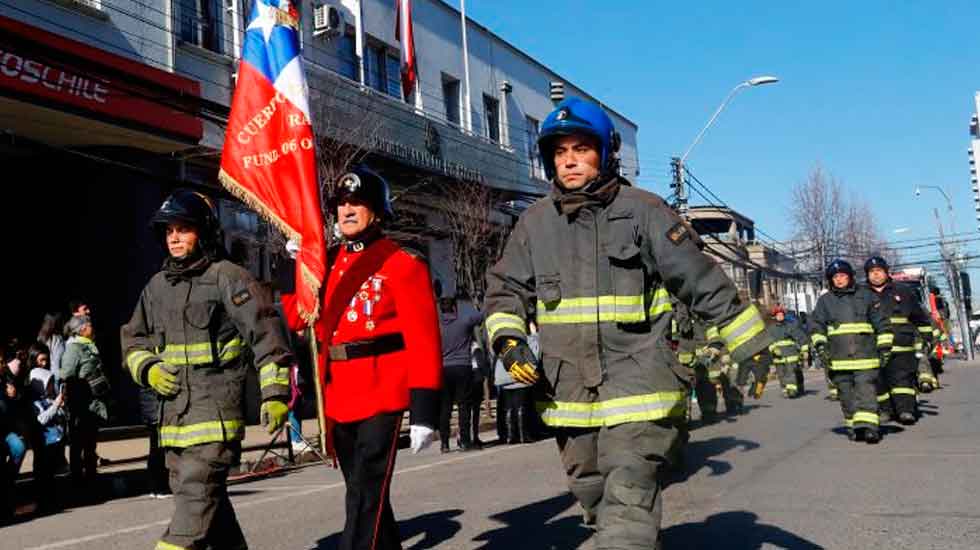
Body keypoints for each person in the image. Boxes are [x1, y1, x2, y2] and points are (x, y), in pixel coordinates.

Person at [484, 97, 772, 548]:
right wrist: (509, 340)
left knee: (628, 499)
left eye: (581, 148)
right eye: (560, 152)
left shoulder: (644, 211)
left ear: (605, 153)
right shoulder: (534, 225)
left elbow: (699, 280)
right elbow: (504, 291)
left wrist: (750, 342)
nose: (570, 160)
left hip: (641, 390)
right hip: (570, 395)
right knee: (594, 496)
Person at [121, 189, 293, 550]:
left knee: (192, 514)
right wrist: (148, 367)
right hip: (173, 424)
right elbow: (132, 340)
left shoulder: (229, 277)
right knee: (212, 513)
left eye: (184, 229)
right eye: (169, 231)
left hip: (214, 421)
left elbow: (266, 336)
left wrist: (275, 394)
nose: (175, 237)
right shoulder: (156, 288)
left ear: (205, 232)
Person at [280, 166, 442, 550]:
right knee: (364, 489)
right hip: (338, 391)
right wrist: (301, 268)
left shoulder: (403, 263)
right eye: (342, 204)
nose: (348, 210)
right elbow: (295, 317)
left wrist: (425, 411)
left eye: (358, 203)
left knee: (365, 492)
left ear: (378, 211)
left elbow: (423, 340)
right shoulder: (328, 262)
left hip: (382, 388)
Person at [809, 259, 891, 444]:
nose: (839, 280)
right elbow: (816, 326)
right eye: (835, 277)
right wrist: (821, 346)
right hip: (838, 360)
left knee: (865, 391)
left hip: (866, 357)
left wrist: (885, 346)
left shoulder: (866, 296)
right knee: (846, 395)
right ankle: (854, 426)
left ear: (850, 277)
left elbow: (882, 323)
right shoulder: (825, 301)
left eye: (843, 276)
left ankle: (870, 428)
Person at [864, 256, 933, 425]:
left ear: (887, 272)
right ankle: (885, 411)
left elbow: (919, 317)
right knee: (879, 381)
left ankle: (905, 411)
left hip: (901, 345)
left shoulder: (902, 291)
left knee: (902, 379)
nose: (876, 275)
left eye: (879, 271)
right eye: (872, 272)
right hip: (874, 346)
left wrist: (927, 337)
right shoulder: (861, 294)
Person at [61, 315, 110, 492]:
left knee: (90, 443)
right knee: (78, 445)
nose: (92, 327)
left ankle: (91, 478)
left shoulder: (88, 345)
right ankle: (78, 481)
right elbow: (67, 375)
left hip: (93, 403)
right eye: (89, 324)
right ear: (81, 329)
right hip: (81, 405)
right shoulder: (74, 348)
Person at [438, 294, 484, 452]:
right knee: (464, 405)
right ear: (454, 307)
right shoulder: (464, 320)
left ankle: (444, 442)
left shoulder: (437, 325)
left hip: (443, 368)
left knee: (445, 407)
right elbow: (480, 316)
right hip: (463, 366)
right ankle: (465, 440)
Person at [494, 321, 541, 444]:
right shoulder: (525, 339)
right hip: (520, 374)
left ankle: (510, 436)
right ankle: (523, 435)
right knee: (521, 406)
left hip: (502, 376)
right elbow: (535, 354)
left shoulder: (502, 339)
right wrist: (535, 334)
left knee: (509, 407)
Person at [29, 367, 66, 511]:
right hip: (43, 442)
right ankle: (42, 500)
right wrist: (56, 405)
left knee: (50, 473)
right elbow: (42, 419)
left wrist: (60, 406)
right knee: (41, 473)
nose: (51, 386)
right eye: (48, 383)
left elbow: (58, 416)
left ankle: (51, 499)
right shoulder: (35, 403)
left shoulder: (49, 398)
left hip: (54, 442)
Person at [768, 305, 809, 398]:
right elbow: (768, 342)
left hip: (791, 354)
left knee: (790, 372)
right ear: (775, 316)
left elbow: (801, 337)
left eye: (781, 314)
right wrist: (773, 349)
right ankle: (785, 389)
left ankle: (792, 390)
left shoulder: (790, 326)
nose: (780, 316)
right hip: (778, 356)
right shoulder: (771, 329)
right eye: (778, 315)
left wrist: (805, 350)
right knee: (781, 374)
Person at [37, 314, 66, 387]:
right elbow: (56, 362)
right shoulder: (57, 339)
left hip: (42, 375)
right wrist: (57, 383)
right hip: (54, 377)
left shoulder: (41, 336)